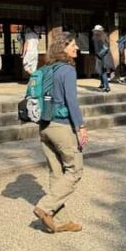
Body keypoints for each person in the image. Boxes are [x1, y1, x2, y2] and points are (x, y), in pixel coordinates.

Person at [33, 31, 88, 233]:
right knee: (75, 170)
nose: (76, 48)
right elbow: (71, 101)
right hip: (62, 126)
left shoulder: (46, 69)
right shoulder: (67, 70)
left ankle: (60, 221)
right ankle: (45, 207)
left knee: (56, 173)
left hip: (44, 126)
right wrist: (80, 127)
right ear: (63, 48)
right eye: (73, 45)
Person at [92, 25, 113, 92]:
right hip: (105, 55)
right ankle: (102, 84)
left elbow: (99, 48)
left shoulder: (97, 37)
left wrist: (98, 54)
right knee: (101, 71)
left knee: (102, 71)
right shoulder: (104, 36)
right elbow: (107, 46)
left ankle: (106, 86)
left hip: (101, 56)